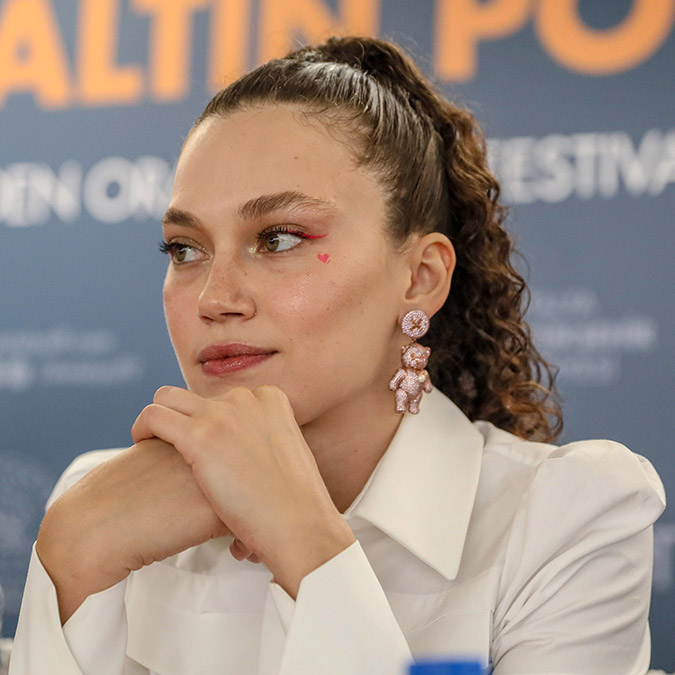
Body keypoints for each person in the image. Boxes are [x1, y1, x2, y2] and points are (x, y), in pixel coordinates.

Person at [10, 36, 665, 675]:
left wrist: (304, 537)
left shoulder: (565, 516)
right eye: (185, 249)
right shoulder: (98, 504)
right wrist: (73, 549)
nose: (214, 298)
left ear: (420, 277)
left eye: (279, 238)